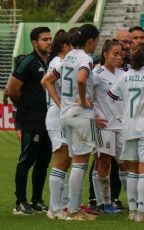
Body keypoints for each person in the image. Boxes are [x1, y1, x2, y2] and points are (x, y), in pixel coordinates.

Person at [106, 43, 144, 222]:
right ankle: (142, 213)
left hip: (128, 126)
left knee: (132, 170)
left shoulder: (125, 76)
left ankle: (132, 211)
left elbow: (109, 98)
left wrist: (119, 118)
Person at [49, 24, 99, 220]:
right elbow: (80, 80)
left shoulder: (67, 57)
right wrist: (84, 100)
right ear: (90, 41)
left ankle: (55, 208)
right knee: (80, 162)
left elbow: (46, 81)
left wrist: (62, 103)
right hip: (80, 115)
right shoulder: (85, 58)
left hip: (66, 115)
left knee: (65, 161)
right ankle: (74, 210)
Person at [7, 26, 53, 215]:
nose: (49, 42)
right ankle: (20, 202)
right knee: (26, 160)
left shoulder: (52, 61)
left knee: (43, 162)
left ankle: (36, 200)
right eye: (45, 39)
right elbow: (12, 90)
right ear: (35, 43)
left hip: (48, 120)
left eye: (50, 38)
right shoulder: (27, 61)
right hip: (31, 120)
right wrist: (26, 108)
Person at [41, 29, 73, 219]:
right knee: (60, 161)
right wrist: (60, 105)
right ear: (65, 46)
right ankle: (55, 208)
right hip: (57, 116)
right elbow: (45, 82)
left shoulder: (58, 62)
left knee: (66, 160)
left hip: (60, 114)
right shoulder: (59, 63)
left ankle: (63, 204)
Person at [92, 39, 126, 214]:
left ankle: (135, 202)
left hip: (121, 126)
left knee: (125, 163)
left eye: (121, 54)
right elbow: (84, 95)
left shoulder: (123, 74)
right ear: (105, 54)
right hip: (104, 126)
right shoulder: (96, 74)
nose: (119, 57)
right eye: (115, 54)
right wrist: (94, 117)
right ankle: (103, 203)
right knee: (104, 162)